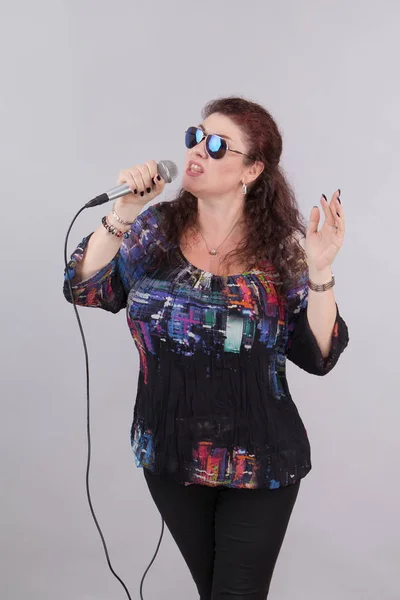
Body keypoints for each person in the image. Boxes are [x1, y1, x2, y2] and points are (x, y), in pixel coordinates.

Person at [64, 96, 349, 599]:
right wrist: (124, 211)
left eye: (218, 146)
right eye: (196, 136)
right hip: (171, 455)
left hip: (260, 458)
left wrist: (321, 271)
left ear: (252, 169)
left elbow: (319, 354)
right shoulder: (153, 232)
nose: (199, 150)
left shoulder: (282, 249)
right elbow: (87, 288)